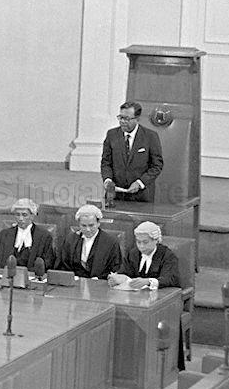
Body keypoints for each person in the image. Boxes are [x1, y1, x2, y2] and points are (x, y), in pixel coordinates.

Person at [108, 221, 183, 370]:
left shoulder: (167, 256)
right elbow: (125, 272)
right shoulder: (133, 253)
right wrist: (117, 278)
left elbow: (171, 279)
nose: (141, 246)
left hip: (160, 305)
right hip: (134, 302)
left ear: (156, 240)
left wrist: (148, 281)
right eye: (138, 242)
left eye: (145, 242)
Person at [101, 101, 163, 203]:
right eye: (120, 117)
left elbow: (157, 166)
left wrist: (140, 183)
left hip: (141, 197)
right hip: (115, 196)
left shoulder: (150, 136)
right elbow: (106, 162)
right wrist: (107, 180)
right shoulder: (112, 135)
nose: (122, 121)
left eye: (127, 118)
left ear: (137, 119)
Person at [0, 198, 55, 270]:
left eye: (24, 215)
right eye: (17, 215)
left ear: (32, 216)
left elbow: (48, 263)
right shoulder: (4, 234)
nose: (20, 219)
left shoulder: (44, 236)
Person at [57, 204, 122, 280]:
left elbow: (115, 269)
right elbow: (63, 265)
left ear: (98, 223)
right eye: (84, 226)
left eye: (91, 225)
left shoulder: (111, 243)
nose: (88, 229)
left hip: (100, 283)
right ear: (79, 224)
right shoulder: (70, 240)